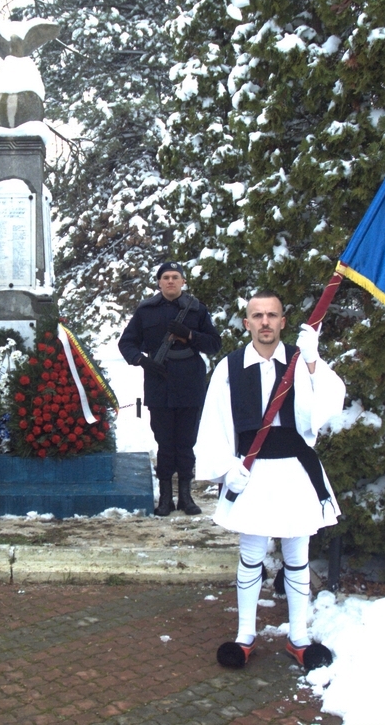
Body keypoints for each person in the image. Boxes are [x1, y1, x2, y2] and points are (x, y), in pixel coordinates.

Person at [194, 289, 345, 672]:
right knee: (251, 555)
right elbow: (213, 421)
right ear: (247, 323)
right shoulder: (229, 367)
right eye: (258, 315)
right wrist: (227, 467)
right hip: (252, 472)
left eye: (272, 315)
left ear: (282, 321)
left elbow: (328, 405)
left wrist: (312, 361)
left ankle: (299, 637)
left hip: (295, 470)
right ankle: (245, 635)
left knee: (297, 557)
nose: (265, 322)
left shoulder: (300, 359)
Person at [118, 261, 222, 516]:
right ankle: (165, 498)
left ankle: (186, 497)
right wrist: (141, 361)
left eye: (175, 277)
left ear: (183, 281)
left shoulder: (196, 309)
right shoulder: (146, 310)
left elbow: (214, 344)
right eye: (166, 277)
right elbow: (127, 343)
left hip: (190, 382)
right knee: (164, 442)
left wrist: (190, 335)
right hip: (159, 383)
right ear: (159, 282)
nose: (171, 281)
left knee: (186, 443)